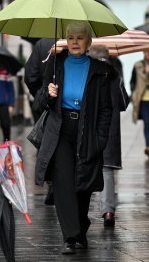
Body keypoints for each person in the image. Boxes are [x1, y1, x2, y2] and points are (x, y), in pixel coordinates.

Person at [34, 21, 114, 255]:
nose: (75, 42)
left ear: (88, 42)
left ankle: (80, 229)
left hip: (87, 129)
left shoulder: (101, 70)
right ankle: (70, 236)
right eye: (71, 38)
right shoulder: (56, 65)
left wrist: (100, 139)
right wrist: (48, 95)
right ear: (66, 41)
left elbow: (106, 109)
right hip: (60, 129)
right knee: (63, 183)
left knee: (83, 185)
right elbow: (40, 102)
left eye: (80, 38)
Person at [88, 45, 129, 228]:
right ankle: (108, 211)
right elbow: (123, 103)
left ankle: (81, 213)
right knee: (106, 170)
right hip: (110, 130)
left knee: (85, 169)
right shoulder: (114, 75)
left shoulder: (86, 74)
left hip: (88, 130)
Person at [24, 38, 56, 205]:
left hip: (43, 103)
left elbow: (30, 75)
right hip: (69, 104)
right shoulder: (78, 40)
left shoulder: (42, 44)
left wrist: (39, 93)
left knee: (45, 143)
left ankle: (50, 183)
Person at [130, 50, 149, 156]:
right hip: (143, 99)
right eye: (147, 51)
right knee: (147, 122)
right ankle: (148, 146)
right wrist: (133, 95)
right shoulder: (138, 65)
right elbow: (133, 81)